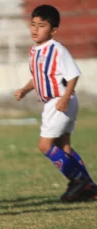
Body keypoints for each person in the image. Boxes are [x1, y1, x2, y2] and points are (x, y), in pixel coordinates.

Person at [14, 5, 96, 202]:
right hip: (55, 102)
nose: (35, 29)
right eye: (33, 24)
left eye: (41, 25)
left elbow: (73, 75)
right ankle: (89, 187)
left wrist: (65, 99)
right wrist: (25, 90)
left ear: (53, 30)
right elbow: (38, 77)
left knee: (45, 145)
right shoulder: (35, 51)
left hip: (60, 101)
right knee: (64, 147)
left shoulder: (57, 49)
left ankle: (78, 182)